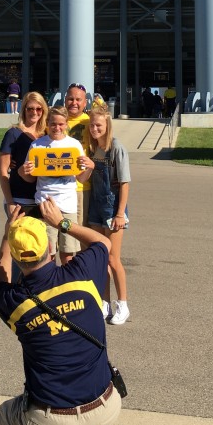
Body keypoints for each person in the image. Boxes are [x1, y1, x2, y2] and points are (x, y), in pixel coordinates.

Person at [0, 201, 121, 425]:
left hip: (50, 424)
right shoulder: (83, 273)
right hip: (107, 407)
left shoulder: (15, 303)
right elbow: (103, 242)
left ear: (20, 260)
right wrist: (62, 223)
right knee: (89, 379)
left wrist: (7, 237)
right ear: (52, 248)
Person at [20, 106, 92, 265]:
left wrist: (90, 167)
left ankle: (66, 287)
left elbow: (81, 178)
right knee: (47, 253)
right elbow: (29, 178)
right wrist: (23, 171)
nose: (57, 128)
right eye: (53, 124)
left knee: (68, 254)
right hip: (45, 205)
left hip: (68, 206)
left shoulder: (74, 145)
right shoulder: (37, 146)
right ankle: (49, 287)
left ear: (66, 124)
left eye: (61, 124)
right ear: (47, 123)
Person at [80, 106, 131, 326]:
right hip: (95, 208)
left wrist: (120, 213)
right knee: (101, 260)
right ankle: (104, 303)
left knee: (113, 258)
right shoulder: (93, 149)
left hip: (112, 208)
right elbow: (83, 178)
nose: (94, 128)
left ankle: (123, 304)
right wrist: (89, 166)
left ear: (107, 125)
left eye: (99, 125)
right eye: (91, 125)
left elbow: (126, 183)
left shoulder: (116, 147)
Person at [0, 92, 48, 218]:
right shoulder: (13, 133)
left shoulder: (48, 134)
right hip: (19, 198)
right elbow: (3, 171)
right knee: (14, 235)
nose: (34, 112)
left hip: (43, 196)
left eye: (38, 109)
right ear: (24, 109)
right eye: (30, 108)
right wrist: (10, 201)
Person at [64, 83, 91, 225]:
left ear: (85, 102)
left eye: (78, 99)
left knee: (79, 233)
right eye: (70, 99)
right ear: (65, 100)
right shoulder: (55, 121)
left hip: (80, 188)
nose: (74, 103)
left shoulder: (90, 122)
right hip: (57, 188)